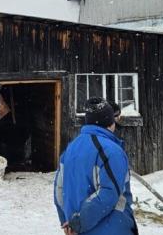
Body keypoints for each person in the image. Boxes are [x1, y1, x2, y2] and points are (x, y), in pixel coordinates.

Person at [54, 97, 137, 234]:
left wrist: (67, 222)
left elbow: (59, 190)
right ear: (110, 122)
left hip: (77, 229)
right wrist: (78, 223)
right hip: (110, 229)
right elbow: (108, 194)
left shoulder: (70, 149)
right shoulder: (111, 151)